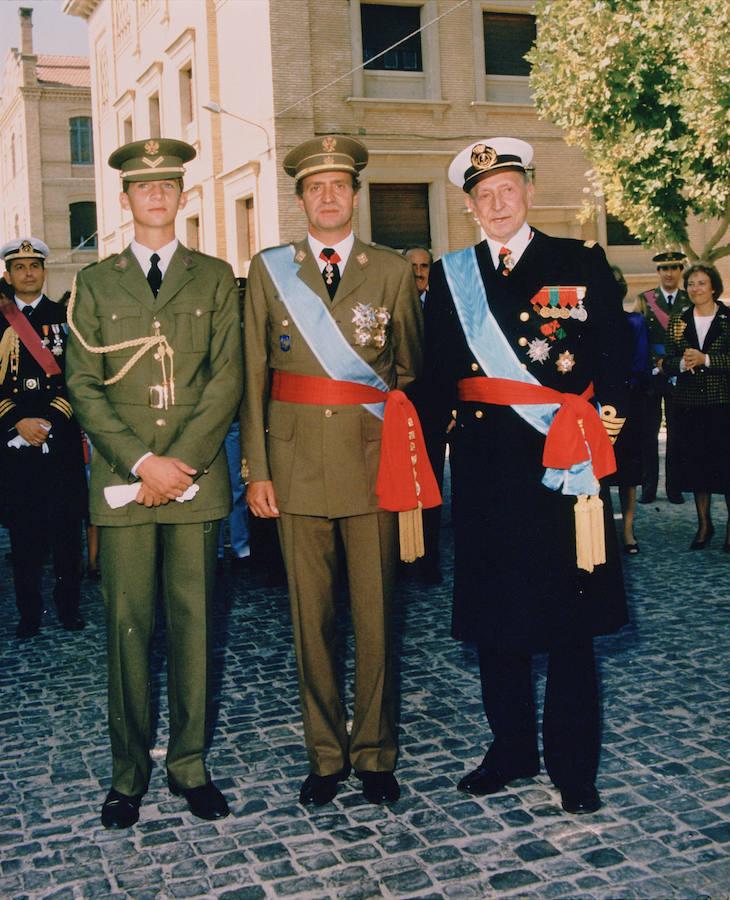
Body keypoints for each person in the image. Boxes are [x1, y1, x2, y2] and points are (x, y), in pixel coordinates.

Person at [423, 138, 630, 815]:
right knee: (496, 618)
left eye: (507, 189)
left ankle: (574, 766)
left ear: (529, 192)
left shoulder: (578, 260)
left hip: (562, 464)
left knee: (570, 620)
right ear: (470, 208)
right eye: (483, 196)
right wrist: (418, 461)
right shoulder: (452, 276)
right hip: (484, 467)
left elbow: (615, 356)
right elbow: (436, 377)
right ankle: (510, 749)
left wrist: (606, 426)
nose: (497, 203)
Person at [241, 136, 426, 807]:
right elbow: (253, 374)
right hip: (293, 466)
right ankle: (325, 753)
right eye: (315, 187)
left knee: (377, 617)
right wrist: (257, 470)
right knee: (310, 621)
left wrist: (401, 458)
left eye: (339, 186)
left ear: (355, 195)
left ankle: (375, 751)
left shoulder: (392, 270)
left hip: (371, 463)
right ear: (299, 199)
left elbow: (410, 373)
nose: (327, 196)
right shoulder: (270, 269)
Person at [66, 138, 243, 829]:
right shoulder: (95, 283)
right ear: (126, 199)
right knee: (127, 630)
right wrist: (143, 463)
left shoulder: (214, 277)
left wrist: (180, 464)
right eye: (144, 187)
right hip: (124, 484)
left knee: (195, 626)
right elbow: (83, 384)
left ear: (182, 195)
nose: (157, 195)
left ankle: (189, 765)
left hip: (194, 482)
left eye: (168, 184)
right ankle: (128, 774)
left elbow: (226, 378)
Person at [0, 237, 87, 638]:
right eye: (19, 267)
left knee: (67, 531)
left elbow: (80, 377)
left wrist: (50, 420)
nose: (28, 273)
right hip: (13, 442)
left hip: (60, 438)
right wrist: (17, 420)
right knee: (24, 535)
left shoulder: (65, 317)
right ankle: (29, 613)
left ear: (44, 271)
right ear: (8, 275)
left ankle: (68, 607)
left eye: (34, 265)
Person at [662, 263, 730, 550]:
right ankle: (704, 525)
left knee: (726, 466)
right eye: (691, 284)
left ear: (713, 287)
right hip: (689, 405)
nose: (695, 288)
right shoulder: (678, 320)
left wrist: (707, 360)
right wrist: (681, 363)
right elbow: (667, 361)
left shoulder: (728, 318)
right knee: (698, 466)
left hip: (723, 404)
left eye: (701, 283)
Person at [403, 245, 446, 584]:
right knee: (400, 485)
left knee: (431, 487)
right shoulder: (391, 304)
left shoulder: (442, 307)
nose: (419, 272)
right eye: (413, 266)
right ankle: (401, 559)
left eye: (425, 266)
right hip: (396, 412)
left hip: (432, 414)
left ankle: (428, 560)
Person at [639, 251, 690, 504]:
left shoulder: (689, 299)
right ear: (658, 272)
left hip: (679, 373)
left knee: (677, 433)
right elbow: (639, 337)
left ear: (681, 270)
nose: (669, 273)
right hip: (652, 375)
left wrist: (675, 365)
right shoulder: (645, 299)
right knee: (648, 433)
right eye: (664, 268)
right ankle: (648, 488)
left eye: (674, 268)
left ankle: (674, 488)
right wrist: (654, 364)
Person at [609, 266, 651, 554]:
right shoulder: (588, 324)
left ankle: (627, 532)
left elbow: (641, 364)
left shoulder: (635, 322)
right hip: (595, 405)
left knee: (628, 474)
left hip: (628, 403)